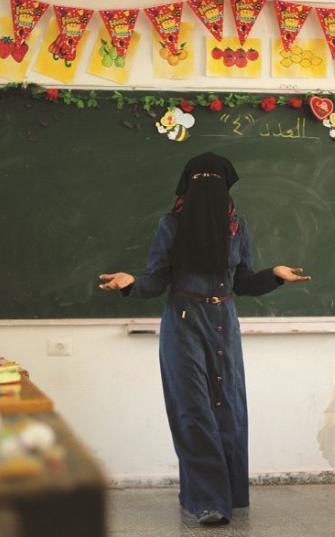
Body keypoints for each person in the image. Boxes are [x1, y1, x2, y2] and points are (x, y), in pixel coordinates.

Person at [99, 152, 311, 525]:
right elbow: (156, 278)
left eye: (215, 179)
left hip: (223, 322)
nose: (208, 187)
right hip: (183, 321)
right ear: (188, 185)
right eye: (202, 179)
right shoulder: (171, 225)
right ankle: (207, 502)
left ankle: (228, 493)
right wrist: (131, 284)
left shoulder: (237, 227)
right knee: (193, 410)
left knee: (228, 408)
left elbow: (242, 281)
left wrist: (274, 274)